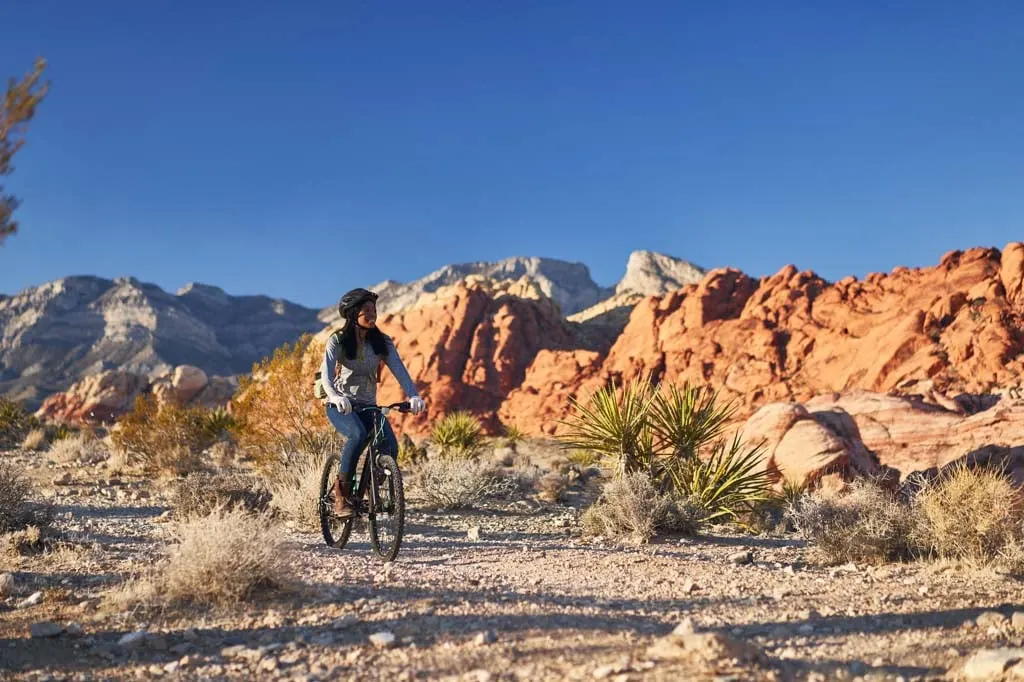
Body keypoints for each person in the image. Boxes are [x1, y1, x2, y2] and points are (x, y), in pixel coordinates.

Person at [321, 287, 425, 517]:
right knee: (357, 435)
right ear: (353, 315)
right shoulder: (337, 341)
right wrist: (335, 397)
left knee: (390, 447)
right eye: (366, 310)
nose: (372, 314)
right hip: (341, 405)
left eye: (373, 309)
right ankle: (341, 496)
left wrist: (413, 395)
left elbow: (399, 369)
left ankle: (369, 490)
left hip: (369, 405)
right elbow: (326, 376)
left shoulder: (382, 342)